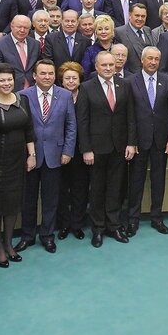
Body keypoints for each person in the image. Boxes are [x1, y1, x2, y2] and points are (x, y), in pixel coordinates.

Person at [76, 50, 137, 246]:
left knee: (115, 189)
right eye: (104, 65)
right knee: (97, 190)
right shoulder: (86, 88)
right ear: (96, 67)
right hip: (96, 149)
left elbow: (130, 117)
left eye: (111, 65)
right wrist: (86, 149)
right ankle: (98, 229)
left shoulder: (124, 85)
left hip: (119, 147)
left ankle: (114, 226)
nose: (109, 68)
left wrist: (131, 142)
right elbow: (82, 121)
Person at [17, 59, 76, 253]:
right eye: (42, 73)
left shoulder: (65, 95)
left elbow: (71, 126)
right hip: (30, 157)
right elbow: (20, 128)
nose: (47, 77)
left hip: (56, 155)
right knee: (28, 199)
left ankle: (47, 235)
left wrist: (68, 150)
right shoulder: (23, 95)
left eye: (50, 73)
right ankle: (27, 236)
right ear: (34, 75)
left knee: (51, 199)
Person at [0, 63, 34, 267]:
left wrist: (32, 155)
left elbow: (29, 130)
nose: (6, 83)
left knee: (12, 204)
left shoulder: (23, 100)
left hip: (17, 161)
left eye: (9, 79)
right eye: (2, 80)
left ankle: (9, 244)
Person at [125, 46, 168, 235]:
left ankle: (156, 218)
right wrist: (131, 140)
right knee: (136, 181)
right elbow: (128, 115)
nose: (153, 62)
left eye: (156, 59)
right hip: (138, 141)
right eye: (150, 59)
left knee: (158, 180)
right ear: (142, 60)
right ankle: (133, 219)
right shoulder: (130, 81)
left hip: (161, 140)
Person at [55, 61, 90, 240]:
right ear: (61, 80)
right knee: (62, 189)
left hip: (81, 150)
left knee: (80, 188)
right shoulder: (56, 96)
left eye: (74, 78)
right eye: (67, 78)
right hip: (61, 150)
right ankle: (64, 224)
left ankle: (77, 223)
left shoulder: (86, 94)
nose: (70, 81)